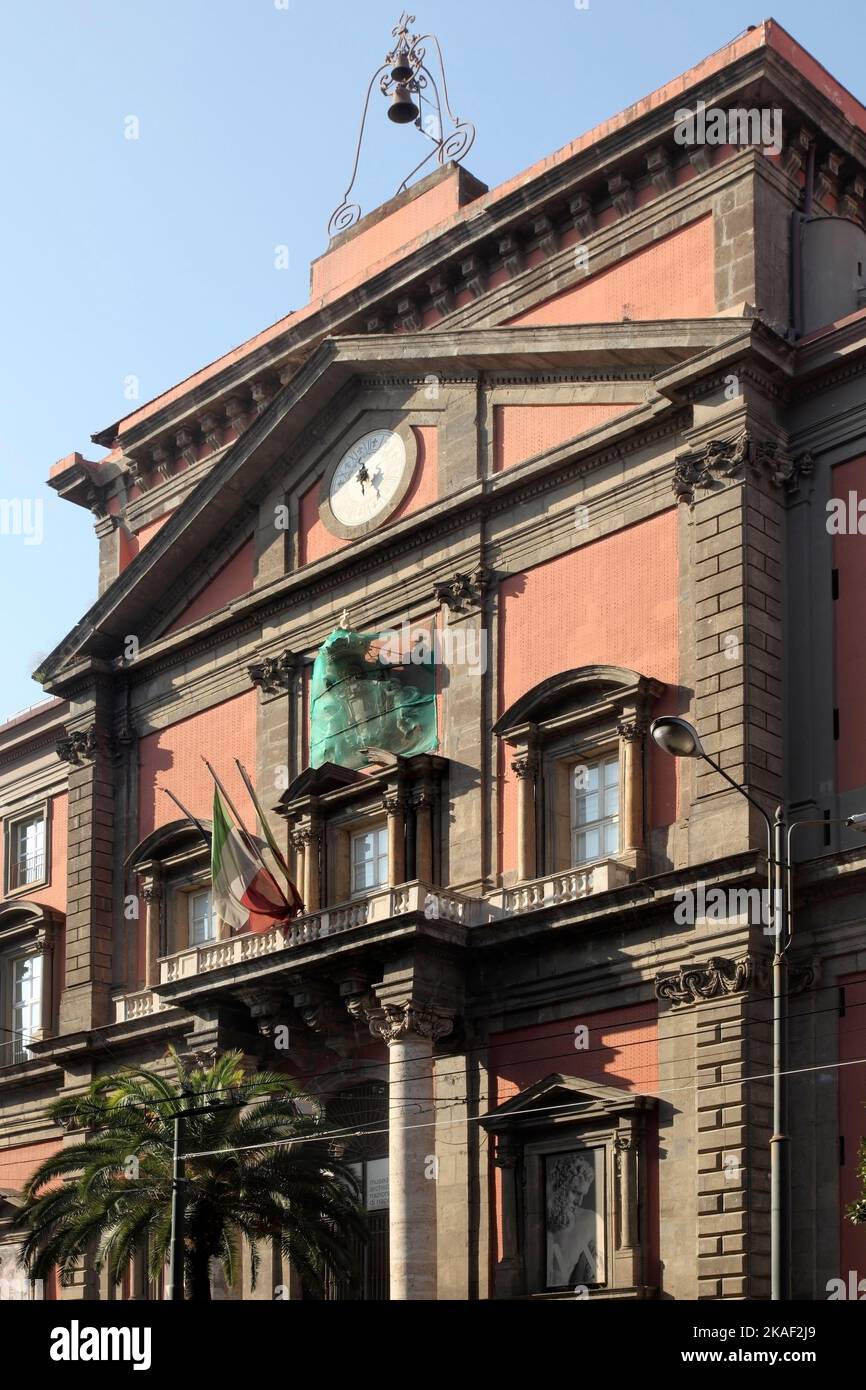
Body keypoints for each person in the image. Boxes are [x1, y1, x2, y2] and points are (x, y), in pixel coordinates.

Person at [546, 1152, 601, 1288]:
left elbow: (590, 1278)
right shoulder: (536, 1220)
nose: (579, 1202)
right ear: (559, 1186)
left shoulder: (588, 1221)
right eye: (575, 1192)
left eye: (583, 1195)